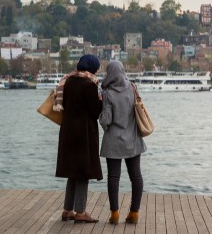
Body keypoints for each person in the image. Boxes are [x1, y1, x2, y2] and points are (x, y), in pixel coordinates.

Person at [54, 54, 103, 223]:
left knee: (72, 172)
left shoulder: (68, 81)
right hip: (83, 133)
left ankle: (67, 210)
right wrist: (101, 100)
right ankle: (80, 212)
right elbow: (95, 112)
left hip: (68, 131)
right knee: (83, 171)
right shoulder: (89, 85)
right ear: (92, 68)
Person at [99, 60, 147, 225]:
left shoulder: (108, 93)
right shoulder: (132, 88)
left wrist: (101, 118)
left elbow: (106, 120)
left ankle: (115, 213)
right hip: (133, 139)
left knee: (113, 177)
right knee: (136, 175)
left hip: (113, 140)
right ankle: (134, 212)